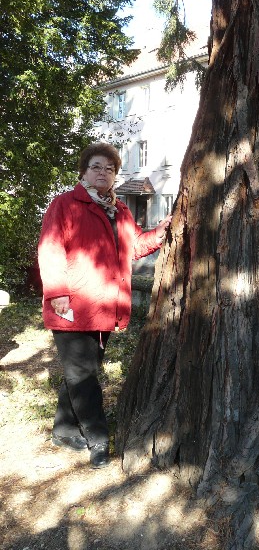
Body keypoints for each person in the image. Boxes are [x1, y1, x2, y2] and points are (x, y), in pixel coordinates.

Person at [37, 142, 172, 468]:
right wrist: (59, 298)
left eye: (109, 169)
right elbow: (51, 251)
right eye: (97, 166)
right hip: (72, 306)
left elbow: (135, 246)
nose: (103, 173)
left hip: (105, 306)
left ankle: (64, 430)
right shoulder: (65, 205)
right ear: (83, 171)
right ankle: (98, 439)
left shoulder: (120, 211)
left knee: (81, 373)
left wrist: (160, 232)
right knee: (83, 375)